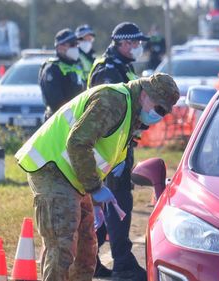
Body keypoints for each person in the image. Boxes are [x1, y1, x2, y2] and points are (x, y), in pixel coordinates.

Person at [14, 73, 180, 281]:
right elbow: (78, 143)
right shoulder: (113, 101)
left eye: (164, 112)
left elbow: (98, 155)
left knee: (86, 252)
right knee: (62, 247)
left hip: (74, 178)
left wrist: (94, 200)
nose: (159, 115)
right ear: (145, 94)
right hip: (52, 171)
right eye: (159, 108)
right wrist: (94, 188)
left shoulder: (130, 112)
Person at [88, 21, 151, 281]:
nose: (138, 48)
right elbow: (110, 112)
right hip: (109, 149)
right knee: (116, 202)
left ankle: (91, 260)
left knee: (111, 203)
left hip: (120, 146)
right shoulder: (108, 70)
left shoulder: (123, 67)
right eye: (135, 43)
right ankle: (121, 262)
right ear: (123, 43)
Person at [39, 28, 85, 120]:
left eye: (77, 44)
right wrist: (72, 122)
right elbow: (57, 102)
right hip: (59, 121)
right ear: (59, 47)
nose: (76, 47)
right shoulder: (52, 69)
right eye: (72, 44)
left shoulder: (76, 66)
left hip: (77, 119)